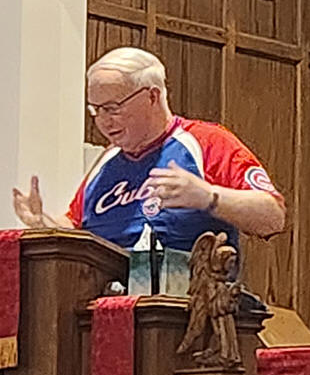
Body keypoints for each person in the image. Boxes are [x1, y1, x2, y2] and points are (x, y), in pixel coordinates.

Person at [11, 46, 285, 248]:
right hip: (107, 302)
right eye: (96, 110)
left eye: (112, 108)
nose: (103, 121)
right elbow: (75, 225)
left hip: (187, 302)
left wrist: (209, 197)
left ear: (152, 96)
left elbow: (273, 217)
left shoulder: (207, 141)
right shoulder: (108, 159)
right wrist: (43, 223)